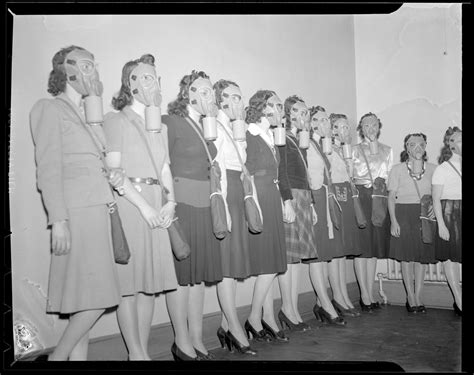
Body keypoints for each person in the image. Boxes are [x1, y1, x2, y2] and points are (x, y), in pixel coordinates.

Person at [30, 45, 123, 360]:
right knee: (98, 297)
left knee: (85, 299)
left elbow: (101, 159)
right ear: (65, 70)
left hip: (98, 208)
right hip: (76, 212)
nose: (92, 72)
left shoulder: (88, 114)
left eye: (93, 65)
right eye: (85, 65)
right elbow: (48, 167)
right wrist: (58, 219)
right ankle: (56, 359)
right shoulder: (49, 108)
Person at [103, 54, 179, 360]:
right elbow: (114, 172)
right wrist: (144, 208)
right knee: (129, 286)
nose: (154, 83)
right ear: (130, 84)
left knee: (151, 285)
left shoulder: (159, 125)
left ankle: (141, 352)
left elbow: (164, 169)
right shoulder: (115, 120)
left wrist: (170, 202)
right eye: (145, 77)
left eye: (155, 77)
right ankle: (136, 354)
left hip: (158, 204)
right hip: (131, 205)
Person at [162, 71, 223, 360]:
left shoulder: (206, 125)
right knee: (182, 275)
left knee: (198, 276)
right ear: (190, 92)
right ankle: (181, 339)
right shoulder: (170, 122)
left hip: (205, 203)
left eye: (212, 91)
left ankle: (197, 336)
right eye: (206, 90)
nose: (211, 96)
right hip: (182, 203)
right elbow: (160, 165)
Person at [212, 79, 256, 354]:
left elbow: (242, 159)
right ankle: (235, 326)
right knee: (226, 265)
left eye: (240, 97)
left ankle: (225, 324)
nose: (239, 102)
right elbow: (215, 164)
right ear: (220, 99)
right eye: (233, 98)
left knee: (234, 262)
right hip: (226, 192)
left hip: (239, 191)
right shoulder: (213, 125)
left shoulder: (232, 126)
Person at [244, 90, 288, 342]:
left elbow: (278, 173)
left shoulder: (271, 136)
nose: (280, 111)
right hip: (260, 197)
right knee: (268, 264)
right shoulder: (250, 134)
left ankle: (267, 316)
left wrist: (283, 200)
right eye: (277, 106)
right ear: (263, 108)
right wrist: (255, 203)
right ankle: (253, 316)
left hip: (272, 195)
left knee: (272, 263)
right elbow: (246, 171)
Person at [275, 95, 318, 330]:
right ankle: (287, 307)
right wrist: (286, 200)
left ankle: (292, 308)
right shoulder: (282, 137)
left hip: (303, 196)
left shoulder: (302, 140)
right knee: (289, 257)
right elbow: (281, 172)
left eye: (307, 113)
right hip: (290, 196)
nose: (305, 117)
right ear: (289, 114)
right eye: (301, 112)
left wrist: (311, 204)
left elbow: (306, 175)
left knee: (298, 257)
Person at [387, 133, 436, 313]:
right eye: (412, 144)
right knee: (407, 258)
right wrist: (393, 221)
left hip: (423, 215)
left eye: (421, 144)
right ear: (406, 148)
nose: (417, 148)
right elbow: (391, 197)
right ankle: (410, 296)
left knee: (421, 258)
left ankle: (419, 294)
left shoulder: (433, 169)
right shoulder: (397, 170)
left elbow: (438, 195)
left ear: (425, 147)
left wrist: (434, 210)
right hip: (403, 214)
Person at [352, 113, 393, 312]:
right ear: (361, 128)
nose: (370, 128)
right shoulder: (354, 150)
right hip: (362, 197)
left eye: (373, 124)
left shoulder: (388, 150)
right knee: (363, 248)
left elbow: (390, 177)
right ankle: (364, 295)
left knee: (374, 248)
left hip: (379, 199)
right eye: (366, 125)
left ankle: (369, 291)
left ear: (379, 127)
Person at [432, 127, 462, 316]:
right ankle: (459, 301)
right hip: (450, 213)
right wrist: (442, 225)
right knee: (451, 258)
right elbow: (436, 199)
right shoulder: (442, 169)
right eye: (456, 139)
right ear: (450, 144)